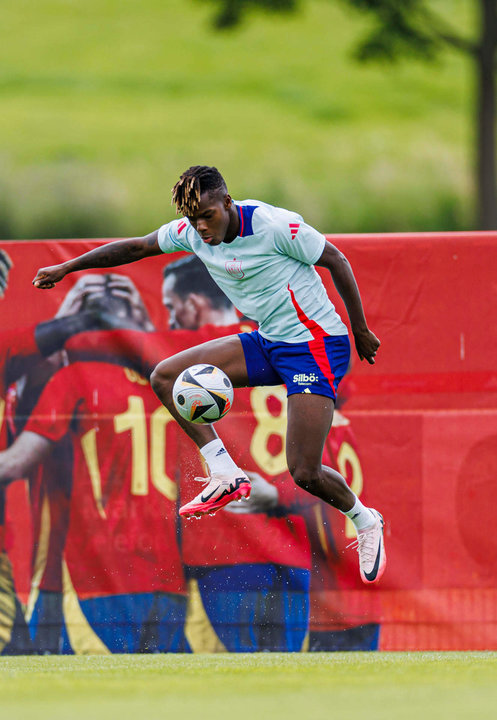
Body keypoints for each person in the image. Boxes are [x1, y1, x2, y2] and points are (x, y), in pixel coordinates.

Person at [32, 165, 386, 584]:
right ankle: (224, 470)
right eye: (192, 219)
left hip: (316, 346)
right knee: (165, 375)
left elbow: (336, 260)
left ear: (228, 203)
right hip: (269, 341)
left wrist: (360, 329)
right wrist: (67, 267)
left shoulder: (275, 226)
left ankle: (365, 521)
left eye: (208, 216)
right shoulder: (190, 230)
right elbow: (137, 247)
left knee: (304, 472)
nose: (200, 227)